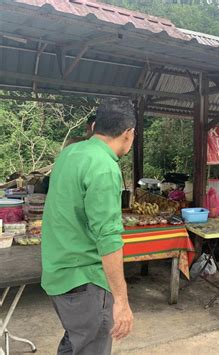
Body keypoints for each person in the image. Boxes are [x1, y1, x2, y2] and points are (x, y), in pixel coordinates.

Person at [41, 99, 136, 354]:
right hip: (85, 282)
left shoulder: (70, 154)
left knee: (73, 344)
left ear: (95, 126)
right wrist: (121, 301)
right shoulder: (104, 167)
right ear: (129, 134)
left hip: (57, 275)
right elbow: (108, 238)